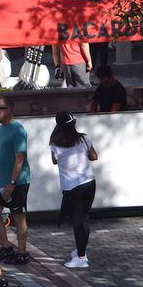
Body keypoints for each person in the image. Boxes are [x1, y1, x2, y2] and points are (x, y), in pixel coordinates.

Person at [49, 112, 98, 268]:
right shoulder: (84, 138)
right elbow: (94, 156)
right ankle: (80, 250)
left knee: (78, 222)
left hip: (72, 187)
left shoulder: (54, 143)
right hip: (89, 182)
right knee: (84, 218)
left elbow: (54, 161)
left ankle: (81, 258)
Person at [0, 94, 31, 265]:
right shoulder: (0, 129)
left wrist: (12, 184)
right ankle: (6, 246)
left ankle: (22, 252)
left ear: (8, 110)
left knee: (19, 217)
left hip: (17, 183)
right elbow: (0, 157)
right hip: (2, 181)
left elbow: (19, 160)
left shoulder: (18, 130)